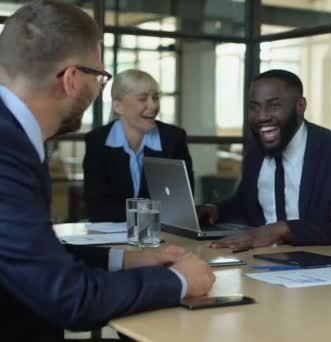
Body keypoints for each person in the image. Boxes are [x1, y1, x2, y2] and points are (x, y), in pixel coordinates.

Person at [0, 2, 214, 340]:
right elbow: (71, 297)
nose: (100, 88)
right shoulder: (7, 149)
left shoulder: (15, 136)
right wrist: (180, 280)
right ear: (72, 79)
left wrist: (125, 260)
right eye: (100, 76)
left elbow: (35, 253)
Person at [204, 69, 331, 250]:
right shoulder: (256, 150)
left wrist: (283, 230)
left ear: (300, 106)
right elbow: (247, 204)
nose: (262, 116)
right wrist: (215, 210)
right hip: (258, 262)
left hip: (325, 266)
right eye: (254, 107)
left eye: (274, 106)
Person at [83, 69, 193, 222]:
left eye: (155, 98)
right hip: (112, 236)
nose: (153, 106)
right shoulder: (97, 141)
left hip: (160, 236)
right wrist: (148, 214)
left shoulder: (173, 139)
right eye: (143, 99)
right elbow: (96, 208)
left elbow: (181, 204)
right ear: (118, 106)